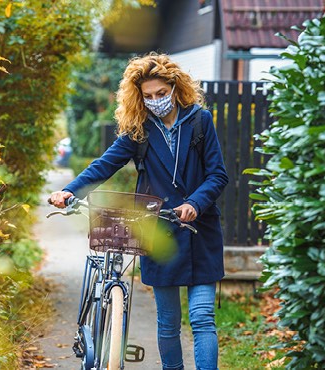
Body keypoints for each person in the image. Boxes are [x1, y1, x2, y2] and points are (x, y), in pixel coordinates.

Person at [49, 53, 228, 370]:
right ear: (140, 98)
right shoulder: (139, 131)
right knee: (169, 323)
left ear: (175, 87)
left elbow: (218, 175)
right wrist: (69, 191)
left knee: (202, 317)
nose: (156, 101)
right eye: (148, 96)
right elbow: (105, 165)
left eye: (161, 93)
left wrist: (195, 203)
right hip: (158, 232)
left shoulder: (201, 121)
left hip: (201, 233)